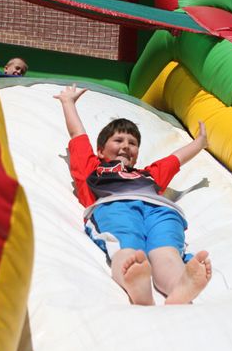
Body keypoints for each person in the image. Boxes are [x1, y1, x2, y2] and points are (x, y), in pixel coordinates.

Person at [54, 84, 212, 306]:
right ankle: (136, 285)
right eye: (118, 141)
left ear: (137, 155)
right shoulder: (91, 167)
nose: (126, 146)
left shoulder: (148, 174)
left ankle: (179, 286)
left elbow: (176, 158)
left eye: (132, 143)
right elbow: (77, 134)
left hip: (162, 210)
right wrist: (68, 102)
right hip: (113, 206)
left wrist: (200, 143)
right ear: (100, 151)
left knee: (167, 251)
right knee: (126, 244)